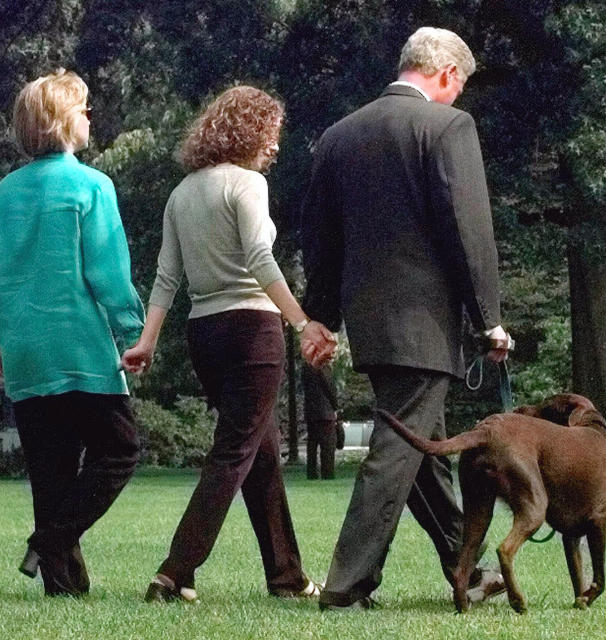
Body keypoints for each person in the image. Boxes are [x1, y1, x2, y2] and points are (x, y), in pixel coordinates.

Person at [300, 27, 513, 610]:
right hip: (425, 325)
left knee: (421, 447)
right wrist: (488, 317)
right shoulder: (449, 127)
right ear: (445, 73)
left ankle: (466, 569)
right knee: (397, 452)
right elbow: (468, 231)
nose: (459, 98)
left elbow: (320, 238)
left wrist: (321, 317)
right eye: (460, 86)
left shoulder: (338, 135)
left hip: (370, 321)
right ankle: (346, 585)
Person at [121, 85, 334, 603]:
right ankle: (174, 573)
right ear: (248, 132)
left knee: (260, 453)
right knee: (235, 451)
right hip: (252, 331)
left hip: (204, 333)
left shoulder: (182, 192)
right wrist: (303, 322)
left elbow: (167, 276)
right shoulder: (248, 184)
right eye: (271, 134)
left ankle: (287, 578)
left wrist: (147, 341)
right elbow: (261, 259)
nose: (276, 147)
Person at [0, 69, 145, 597]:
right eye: (83, 107)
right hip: (77, 342)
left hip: (25, 347)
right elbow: (107, 270)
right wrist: (133, 329)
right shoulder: (92, 185)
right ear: (61, 121)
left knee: (50, 470)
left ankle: (64, 589)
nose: (90, 116)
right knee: (120, 448)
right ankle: (49, 540)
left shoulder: (5, 192)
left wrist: (3, 338)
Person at [301, 363, 340, 480]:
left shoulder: (306, 368)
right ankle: (327, 473)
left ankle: (311, 473)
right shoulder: (323, 368)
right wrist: (336, 407)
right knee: (328, 445)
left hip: (311, 411)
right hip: (325, 411)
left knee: (312, 445)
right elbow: (330, 389)